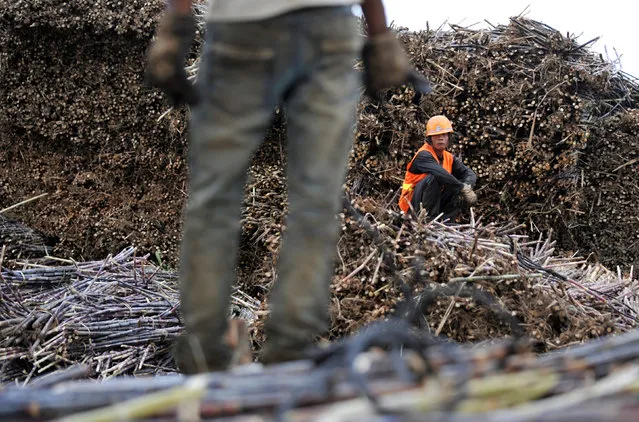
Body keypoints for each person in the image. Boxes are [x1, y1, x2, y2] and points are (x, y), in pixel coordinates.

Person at [146, 0, 428, 373]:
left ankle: (203, 349)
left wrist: (175, 27)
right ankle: (291, 345)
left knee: (214, 196)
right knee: (317, 199)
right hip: (324, 29)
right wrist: (380, 34)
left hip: (241, 26)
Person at [398, 115, 477, 221]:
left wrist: (467, 187)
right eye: (436, 135)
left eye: (444, 134)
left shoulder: (448, 157)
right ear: (430, 138)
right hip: (411, 206)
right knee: (437, 178)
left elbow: (469, 173)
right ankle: (428, 219)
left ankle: (446, 221)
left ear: (448, 137)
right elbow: (439, 173)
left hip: (434, 202)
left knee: (457, 187)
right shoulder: (423, 155)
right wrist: (462, 188)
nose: (440, 138)